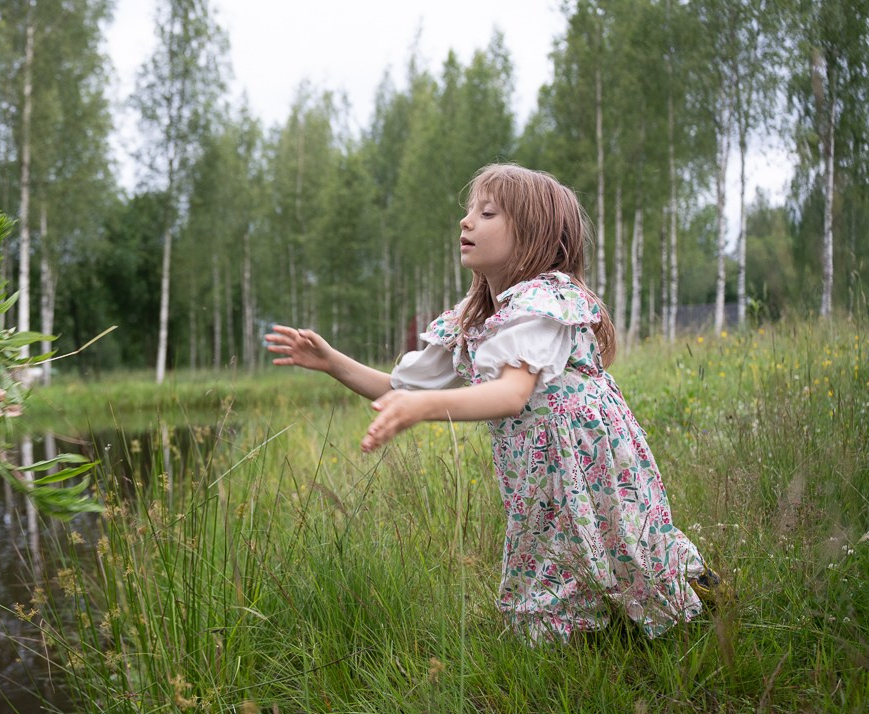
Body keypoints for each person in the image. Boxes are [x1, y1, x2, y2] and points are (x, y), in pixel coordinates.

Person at [265, 163, 715, 644]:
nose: (466, 222)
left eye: (487, 212)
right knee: (551, 553)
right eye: (468, 212)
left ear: (533, 236)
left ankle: (704, 607)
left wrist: (423, 412)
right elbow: (402, 389)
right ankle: (582, 639)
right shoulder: (476, 317)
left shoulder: (544, 301)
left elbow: (511, 394)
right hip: (538, 472)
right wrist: (332, 361)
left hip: (592, 458)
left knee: (628, 541)